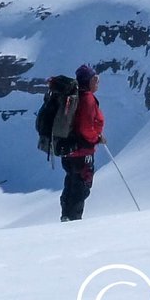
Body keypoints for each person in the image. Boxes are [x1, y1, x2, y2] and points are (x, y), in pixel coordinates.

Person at [59, 64, 105, 221]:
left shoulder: (74, 96)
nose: (98, 82)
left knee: (71, 183)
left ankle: (65, 216)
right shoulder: (87, 99)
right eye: (96, 78)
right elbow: (87, 127)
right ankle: (74, 221)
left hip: (68, 150)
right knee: (81, 187)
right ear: (89, 80)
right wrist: (97, 138)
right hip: (82, 152)